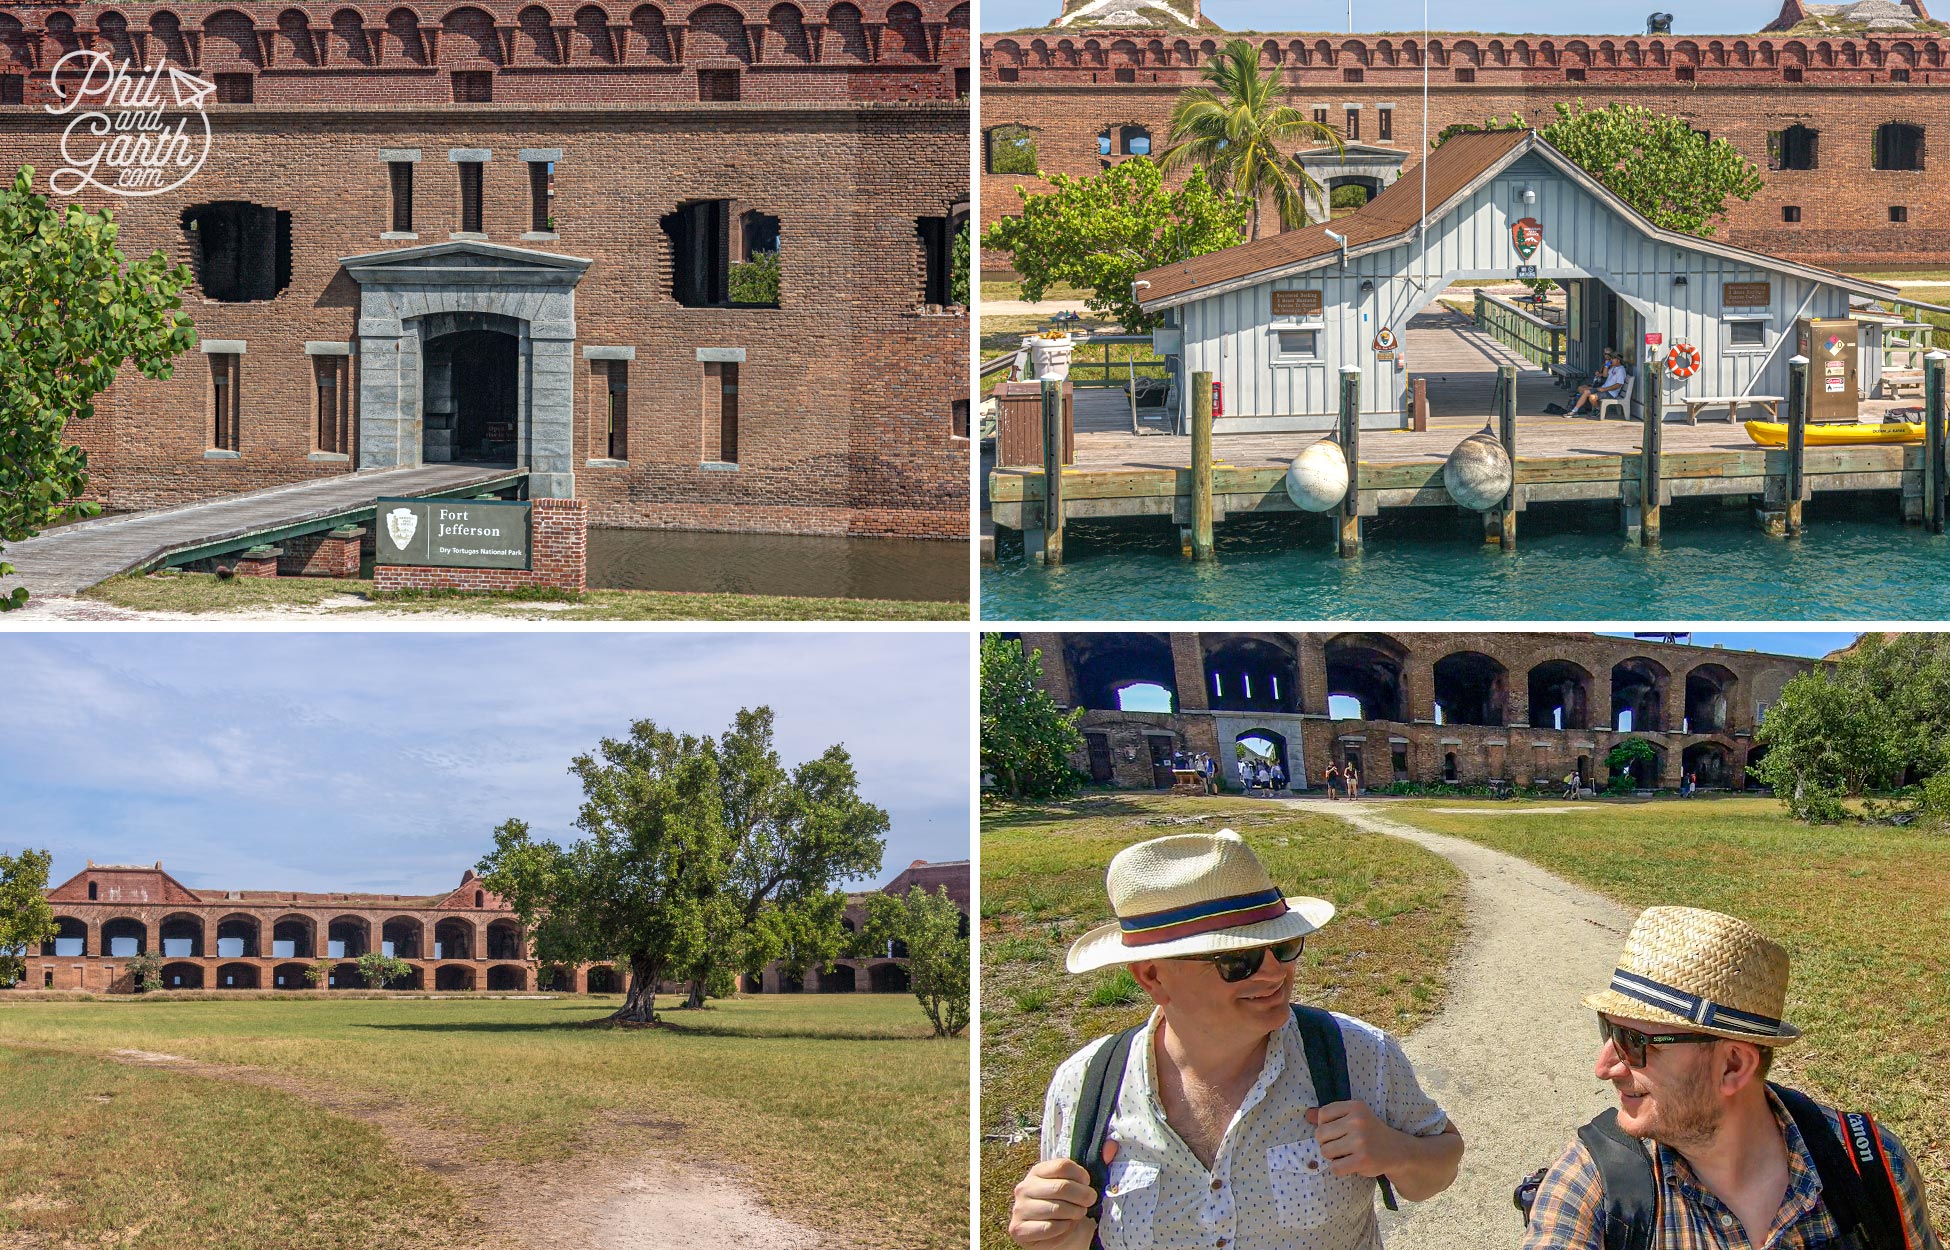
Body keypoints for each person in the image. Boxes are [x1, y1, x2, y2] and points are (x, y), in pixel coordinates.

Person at [1008, 831, 1465, 1250]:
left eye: (1283, 947)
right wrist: (1052, 1233)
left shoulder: (1357, 1053)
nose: (1274, 973)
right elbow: (1067, 1230)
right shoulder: (1086, 1086)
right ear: (1152, 977)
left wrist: (1397, 1151)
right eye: (1236, 959)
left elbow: (1441, 1163)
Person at [1522, 906, 1942, 1250]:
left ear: (1733, 1066)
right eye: (1607, 1030)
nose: (1605, 1067)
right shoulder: (1593, 1188)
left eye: (1632, 1041)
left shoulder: (1868, 1164)